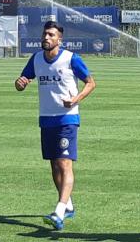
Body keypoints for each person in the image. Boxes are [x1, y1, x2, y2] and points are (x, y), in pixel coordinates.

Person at [14, 20, 96, 230]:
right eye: (45, 34)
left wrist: (76, 99)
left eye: (51, 35)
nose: (46, 38)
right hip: (46, 118)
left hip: (67, 118)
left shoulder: (71, 59)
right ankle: (67, 204)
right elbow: (22, 80)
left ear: (60, 39)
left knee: (65, 163)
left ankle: (59, 211)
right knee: (54, 165)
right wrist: (20, 83)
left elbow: (91, 82)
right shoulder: (36, 59)